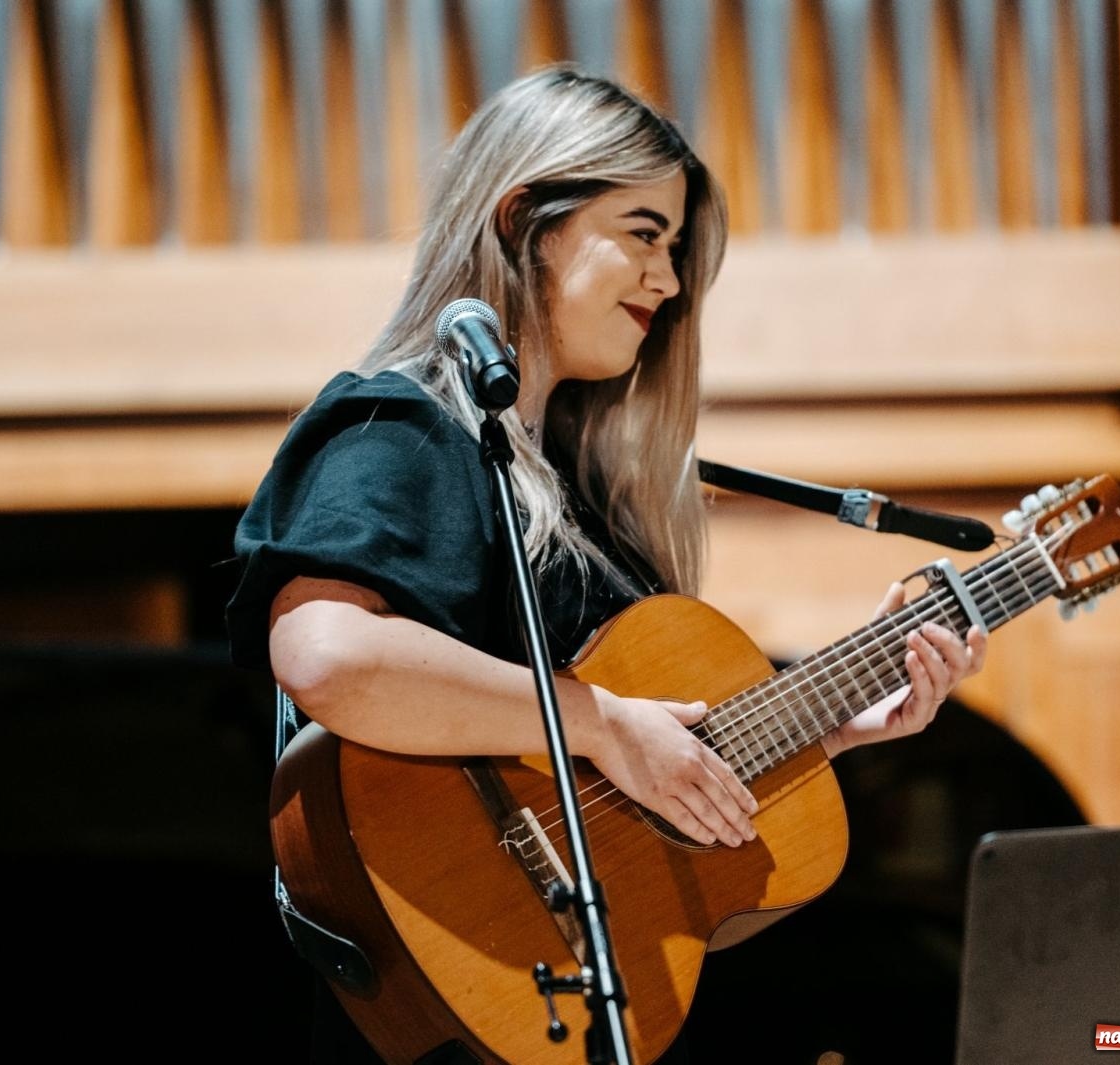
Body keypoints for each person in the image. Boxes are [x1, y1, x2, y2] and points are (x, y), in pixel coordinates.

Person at [227, 64, 986, 1064]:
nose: (667, 282)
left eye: (674, 250)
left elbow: (633, 805)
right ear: (522, 222)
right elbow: (329, 658)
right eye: (642, 234)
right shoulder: (401, 427)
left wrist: (833, 725)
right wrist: (602, 722)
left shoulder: (581, 493)